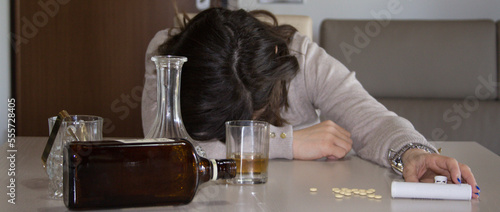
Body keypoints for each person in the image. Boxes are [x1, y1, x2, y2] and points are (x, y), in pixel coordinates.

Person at [141, 8, 480, 198]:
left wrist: (412, 152)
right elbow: (165, 148)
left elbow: (369, 119)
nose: (237, 130)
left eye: (249, 117)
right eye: (228, 126)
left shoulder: (302, 57)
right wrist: (288, 142)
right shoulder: (167, 54)